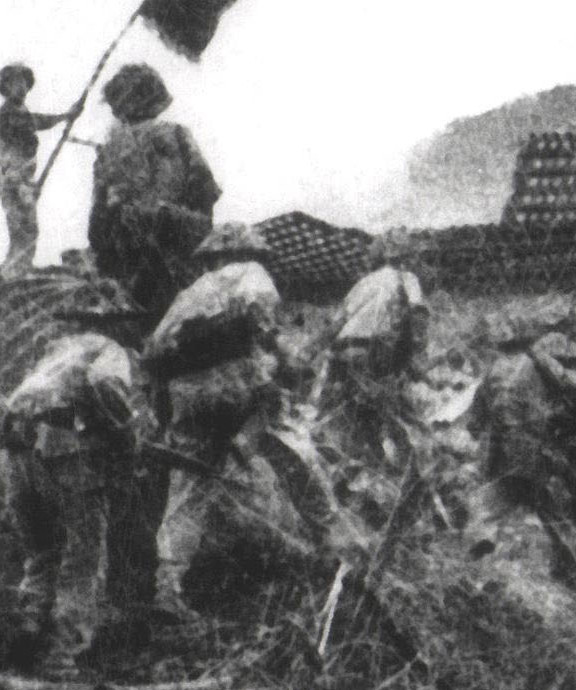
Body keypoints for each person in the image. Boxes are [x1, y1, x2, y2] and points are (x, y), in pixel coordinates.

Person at [143, 225, 352, 612]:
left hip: (187, 397)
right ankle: (339, 550)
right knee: (296, 454)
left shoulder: (189, 295)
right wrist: (287, 357)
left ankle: (168, 586)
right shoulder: (251, 274)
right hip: (238, 386)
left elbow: (154, 357)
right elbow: (262, 323)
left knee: (189, 491)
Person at [0, 301, 150, 663]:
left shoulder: (52, 354)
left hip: (21, 455)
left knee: (42, 551)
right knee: (83, 553)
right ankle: (66, 649)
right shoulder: (107, 350)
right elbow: (105, 384)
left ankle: (28, 630)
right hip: (67, 453)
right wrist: (127, 433)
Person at [466, 322, 576, 587]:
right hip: (529, 448)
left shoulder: (494, 370)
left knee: (497, 501)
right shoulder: (543, 366)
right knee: (549, 509)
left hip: (497, 450)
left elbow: (475, 419)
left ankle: (477, 551)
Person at [88, 63, 218, 317]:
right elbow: (203, 190)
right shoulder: (173, 133)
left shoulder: (110, 149)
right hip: (166, 244)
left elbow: (97, 225)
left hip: (136, 251)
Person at [318, 238, 429, 469]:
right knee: (394, 417)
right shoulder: (406, 279)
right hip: (372, 355)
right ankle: (407, 469)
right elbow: (417, 314)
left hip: (342, 356)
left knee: (351, 421)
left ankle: (359, 467)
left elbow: (337, 323)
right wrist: (416, 354)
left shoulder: (363, 283)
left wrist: (309, 350)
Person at [0, 63, 79, 272]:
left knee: (26, 228)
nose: (20, 88)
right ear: (5, 88)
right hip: (13, 177)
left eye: (24, 83)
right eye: (14, 83)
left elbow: (35, 120)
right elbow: (34, 121)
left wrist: (66, 116)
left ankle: (18, 269)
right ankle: (15, 271)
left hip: (23, 177)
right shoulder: (8, 112)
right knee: (23, 227)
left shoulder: (20, 110)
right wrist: (65, 116)